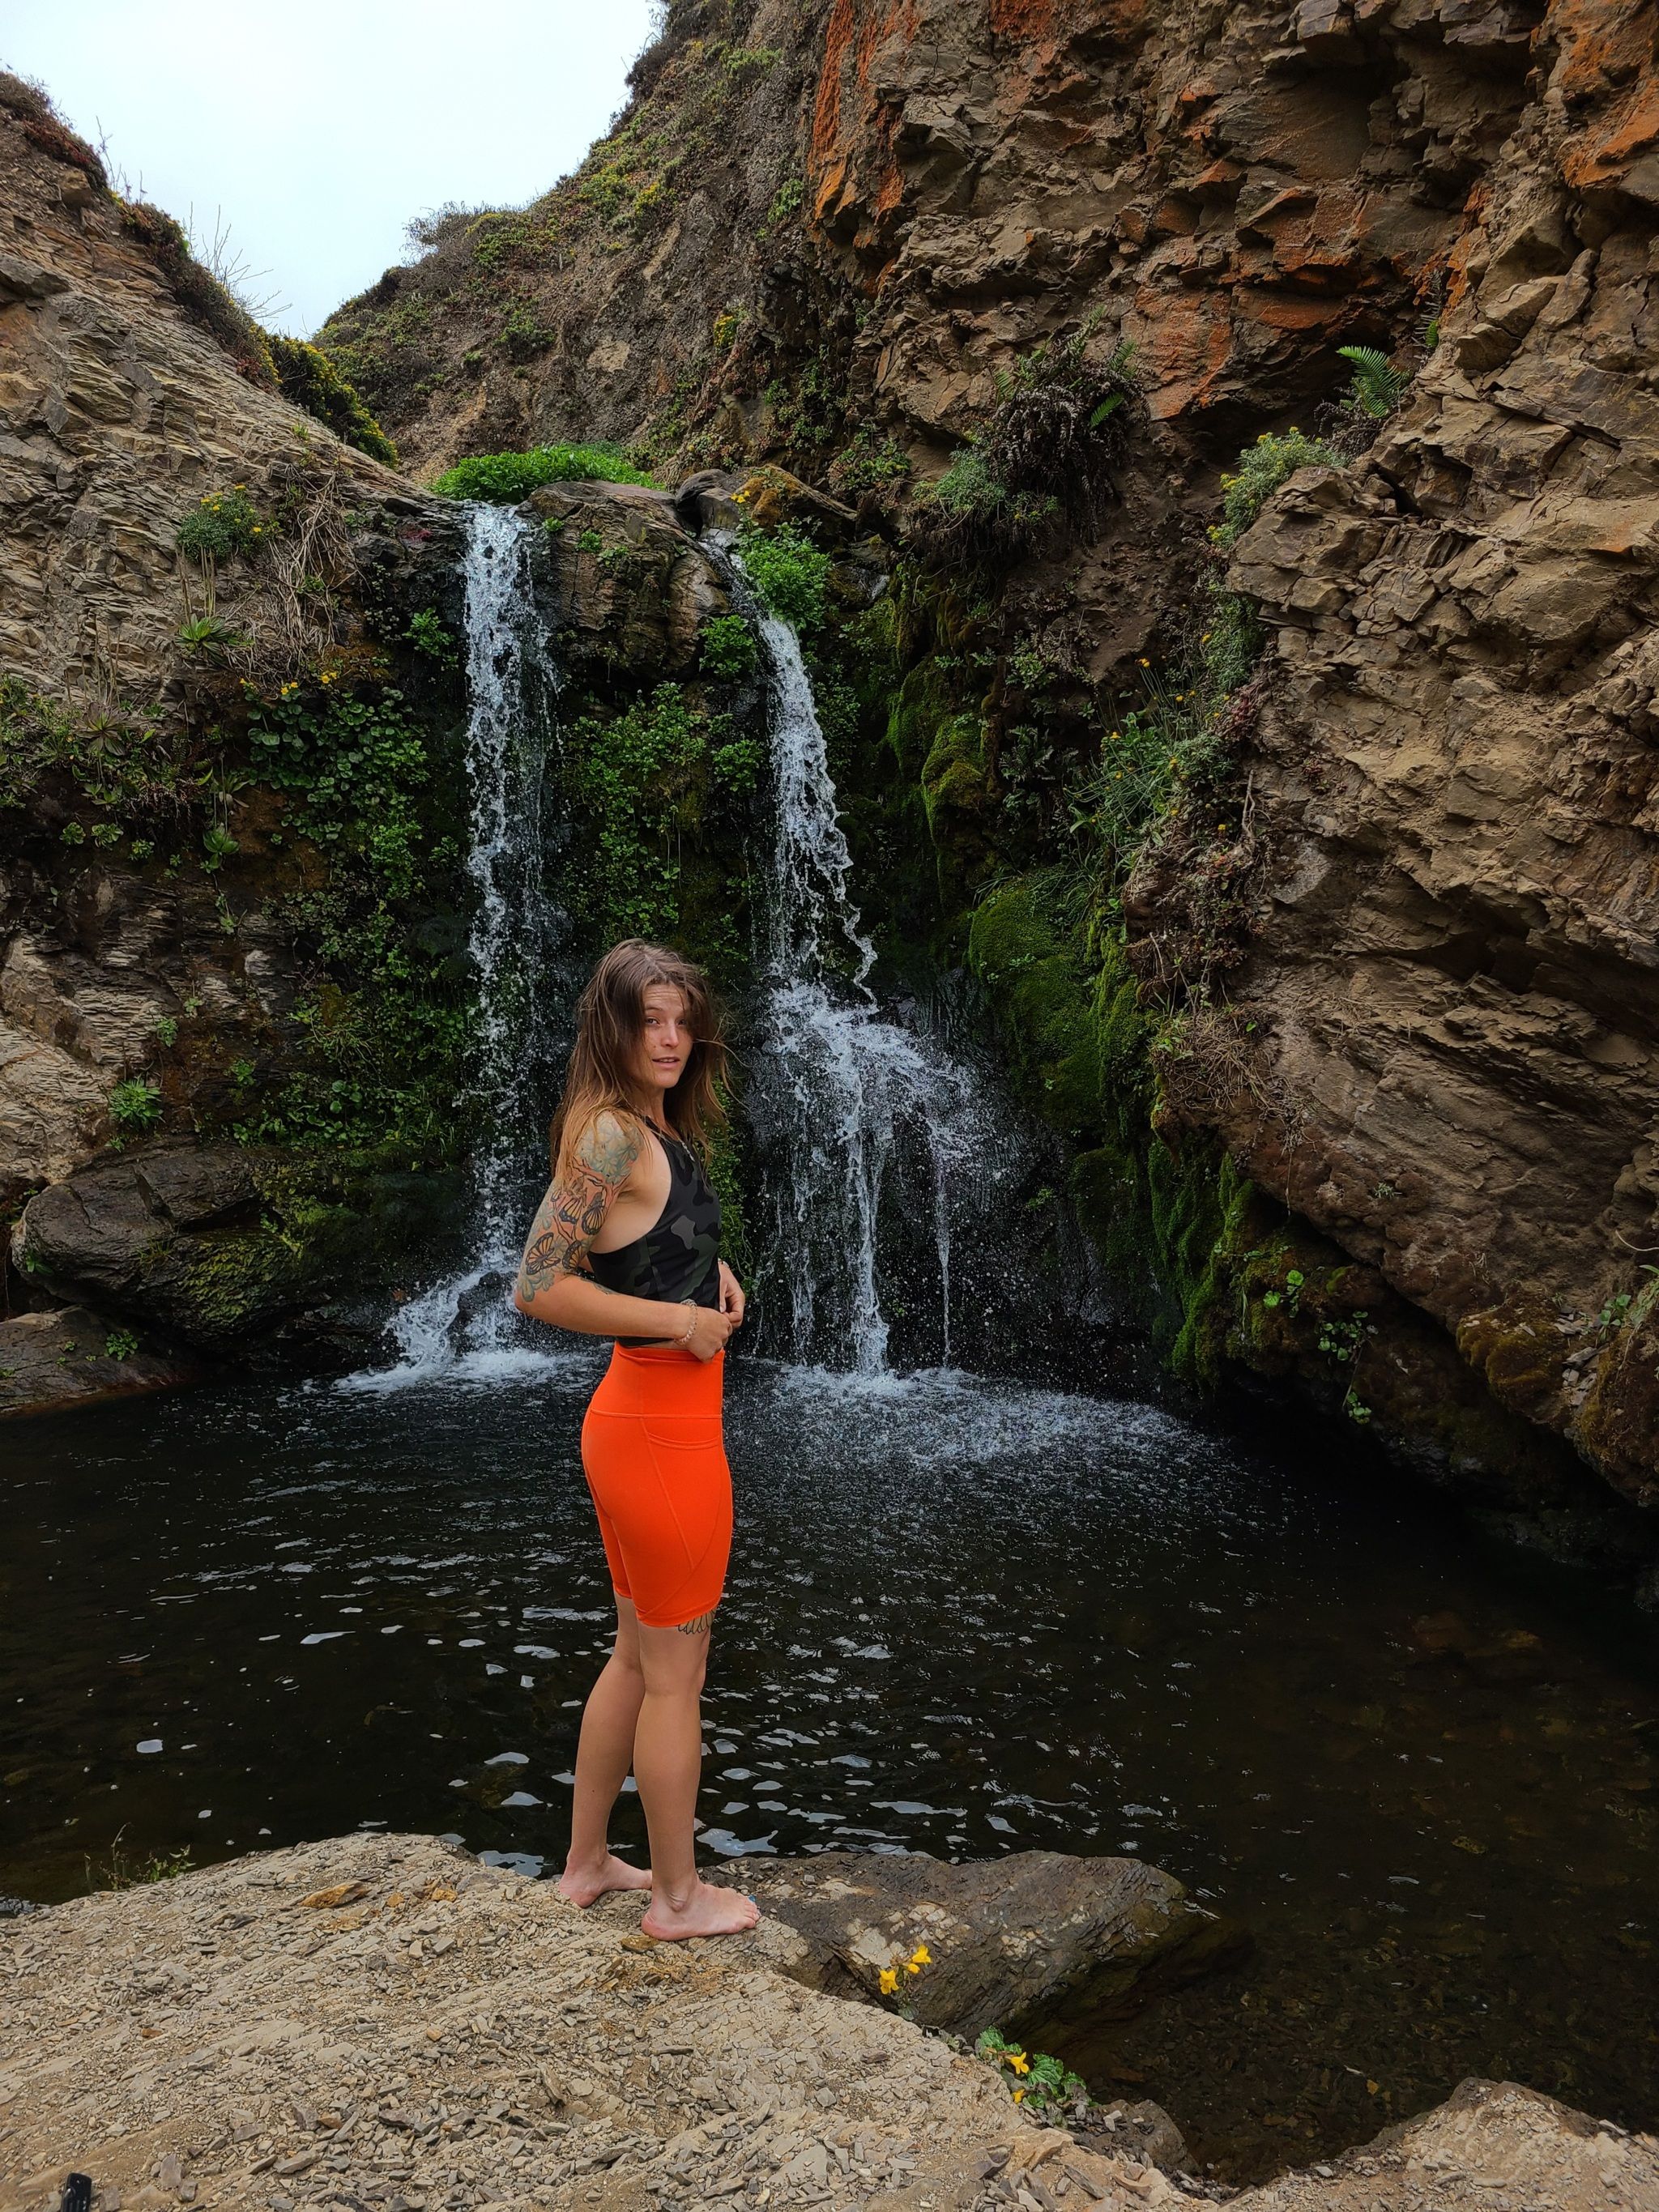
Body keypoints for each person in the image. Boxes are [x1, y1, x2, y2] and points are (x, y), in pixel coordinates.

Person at [512, 938, 759, 1941]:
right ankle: (676, 1898)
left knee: (630, 1656)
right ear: (609, 1028)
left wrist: (708, 1273)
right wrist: (679, 1320)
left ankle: (585, 1865)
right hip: (661, 1436)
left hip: (634, 1426)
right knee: (674, 1677)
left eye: (680, 1021)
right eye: (647, 1021)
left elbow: (638, 1241)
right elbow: (538, 1284)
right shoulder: (612, 1134)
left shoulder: (640, 1126)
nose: (669, 1039)